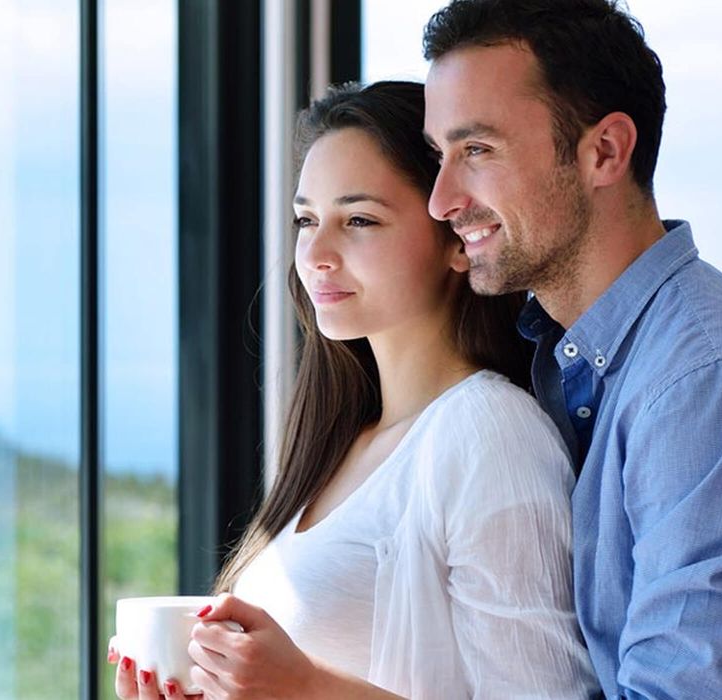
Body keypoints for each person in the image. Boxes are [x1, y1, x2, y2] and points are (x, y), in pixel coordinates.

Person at [421, 0, 722, 696]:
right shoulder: (562, 359)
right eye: (438, 155)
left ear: (604, 151)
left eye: (476, 150)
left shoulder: (714, 383)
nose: (441, 199)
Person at [110, 81, 595, 700]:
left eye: (359, 220)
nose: (315, 252)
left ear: (456, 237)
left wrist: (309, 687)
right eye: (306, 220)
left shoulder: (488, 431)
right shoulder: (344, 441)